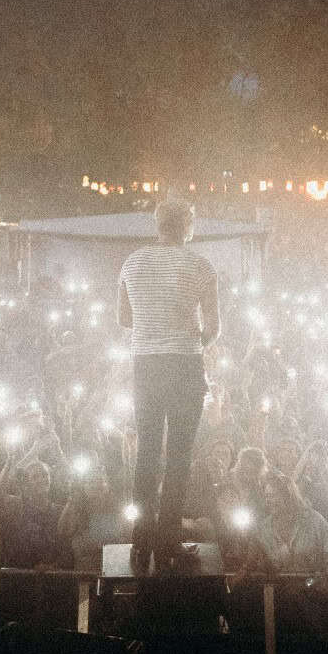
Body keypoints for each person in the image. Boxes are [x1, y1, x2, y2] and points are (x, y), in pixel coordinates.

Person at [118, 196, 220, 572]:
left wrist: (152, 324)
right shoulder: (200, 264)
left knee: (146, 451)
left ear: (157, 224)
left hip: (145, 364)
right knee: (179, 455)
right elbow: (213, 327)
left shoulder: (133, 261)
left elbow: (123, 317)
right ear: (189, 224)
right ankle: (169, 540)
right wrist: (194, 339)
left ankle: (141, 540)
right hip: (184, 365)